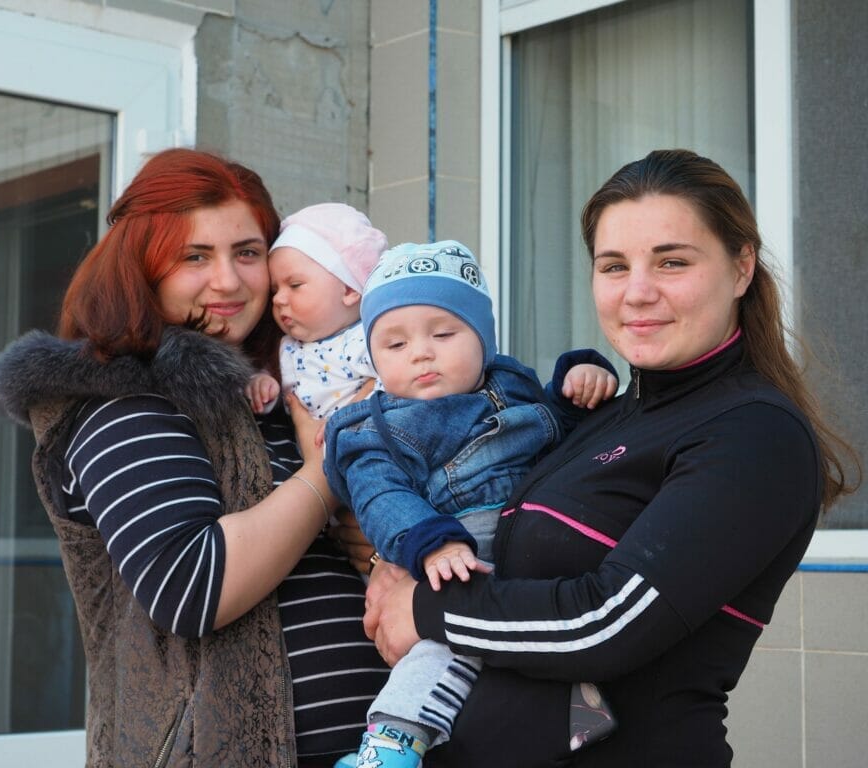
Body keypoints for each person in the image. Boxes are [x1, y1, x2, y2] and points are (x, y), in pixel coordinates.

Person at [363, 149, 862, 767]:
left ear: (741, 268)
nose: (638, 292)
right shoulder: (606, 415)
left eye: (672, 262)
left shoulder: (755, 432)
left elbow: (604, 623)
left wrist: (423, 608)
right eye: (614, 266)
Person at [0, 148, 390, 767]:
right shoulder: (119, 402)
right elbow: (191, 586)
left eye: (248, 253)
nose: (228, 281)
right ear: (139, 270)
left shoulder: (281, 388)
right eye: (194, 256)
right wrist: (333, 463)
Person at [323, 241, 620, 768]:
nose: (421, 352)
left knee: (554, 618)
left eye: (443, 333)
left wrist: (579, 383)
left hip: (539, 553)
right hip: (459, 550)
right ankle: (394, 737)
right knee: (448, 642)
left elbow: (563, 435)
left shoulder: (514, 388)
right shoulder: (375, 431)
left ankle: (578, 703)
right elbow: (380, 497)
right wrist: (431, 544)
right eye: (394, 344)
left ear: (484, 340)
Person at [245, 202, 387, 423]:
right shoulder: (287, 348)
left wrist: (350, 414)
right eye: (275, 289)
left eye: (295, 285)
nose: (278, 299)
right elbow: (287, 397)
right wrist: (264, 387)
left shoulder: (366, 338)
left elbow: (397, 380)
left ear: (349, 289)